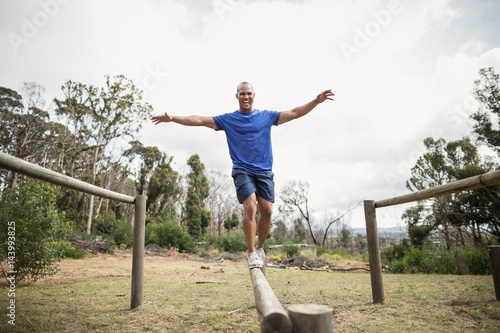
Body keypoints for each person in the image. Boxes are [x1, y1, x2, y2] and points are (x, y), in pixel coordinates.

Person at [151, 82, 334, 268]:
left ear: (254, 95)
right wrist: (173, 118)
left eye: (249, 94)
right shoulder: (228, 120)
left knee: (268, 211)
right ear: (236, 96)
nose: (246, 97)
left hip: (264, 171)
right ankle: (252, 253)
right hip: (242, 169)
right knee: (250, 207)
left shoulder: (266, 116)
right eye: (242, 94)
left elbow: (294, 113)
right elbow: (199, 120)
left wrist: (315, 101)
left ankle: (260, 248)